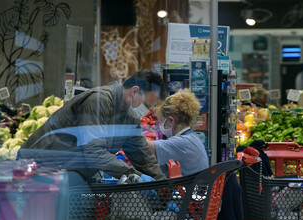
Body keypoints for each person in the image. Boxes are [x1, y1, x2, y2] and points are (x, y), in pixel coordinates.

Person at [18, 70, 167, 182]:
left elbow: (141, 154)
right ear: (134, 91)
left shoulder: (129, 115)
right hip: (39, 168)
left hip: (67, 171)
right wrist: (135, 176)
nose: (147, 111)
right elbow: (94, 152)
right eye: (147, 105)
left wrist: (162, 185)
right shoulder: (98, 102)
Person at [146, 89, 208, 177]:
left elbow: (145, 147)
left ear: (170, 121)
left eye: (161, 120)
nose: (159, 125)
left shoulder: (182, 143)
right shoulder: (191, 138)